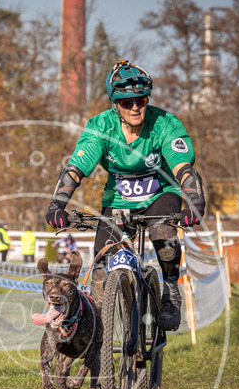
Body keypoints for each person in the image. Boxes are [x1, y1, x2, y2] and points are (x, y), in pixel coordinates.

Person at [45, 59, 205, 331]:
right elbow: (75, 170)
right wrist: (57, 204)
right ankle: (96, 325)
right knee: (100, 263)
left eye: (140, 100)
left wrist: (195, 201)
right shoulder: (100, 127)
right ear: (115, 105)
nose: (135, 107)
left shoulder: (165, 124)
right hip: (118, 203)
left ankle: (170, 290)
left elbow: (183, 169)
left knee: (162, 233)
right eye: (126, 102)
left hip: (160, 195)